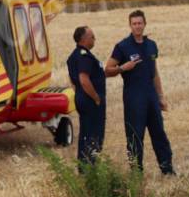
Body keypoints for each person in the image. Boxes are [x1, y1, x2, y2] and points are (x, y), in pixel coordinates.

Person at [105, 10, 176, 175]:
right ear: (130, 25)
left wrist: (160, 96)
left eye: (140, 23)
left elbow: (155, 72)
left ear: (145, 24)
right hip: (133, 97)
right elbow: (107, 70)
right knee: (135, 135)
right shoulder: (122, 46)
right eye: (134, 23)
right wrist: (123, 67)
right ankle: (136, 173)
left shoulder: (151, 45)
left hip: (151, 95)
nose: (137, 26)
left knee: (159, 133)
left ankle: (167, 169)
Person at [66, 26, 112, 167]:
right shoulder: (84, 56)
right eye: (92, 37)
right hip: (90, 101)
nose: (94, 39)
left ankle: (84, 166)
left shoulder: (74, 55)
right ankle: (91, 166)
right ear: (84, 39)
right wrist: (96, 98)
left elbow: (72, 80)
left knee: (86, 132)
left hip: (82, 98)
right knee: (94, 134)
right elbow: (83, 79)